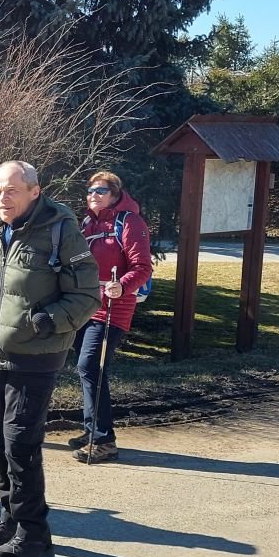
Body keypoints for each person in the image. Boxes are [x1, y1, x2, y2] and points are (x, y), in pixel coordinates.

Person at [0, 162, 99, 557]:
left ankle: (34, 534)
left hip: (37, 354)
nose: (2, 198)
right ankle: (9, 519)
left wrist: (50, 320)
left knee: (21, 444)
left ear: (34, 191)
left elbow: (88, 294)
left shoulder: (60, 229)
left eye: (11, 190)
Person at [70, 171, 153, 464]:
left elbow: (143, 267)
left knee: (91, 366)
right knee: (89, 370)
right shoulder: (88, 223)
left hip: (112, 309)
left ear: (115, 195)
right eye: (90, 190)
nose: (94, 195)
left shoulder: (129, 222)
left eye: (101, 191)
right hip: (85, 306)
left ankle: (104, 441)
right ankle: (92, 431)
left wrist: (122, 286)